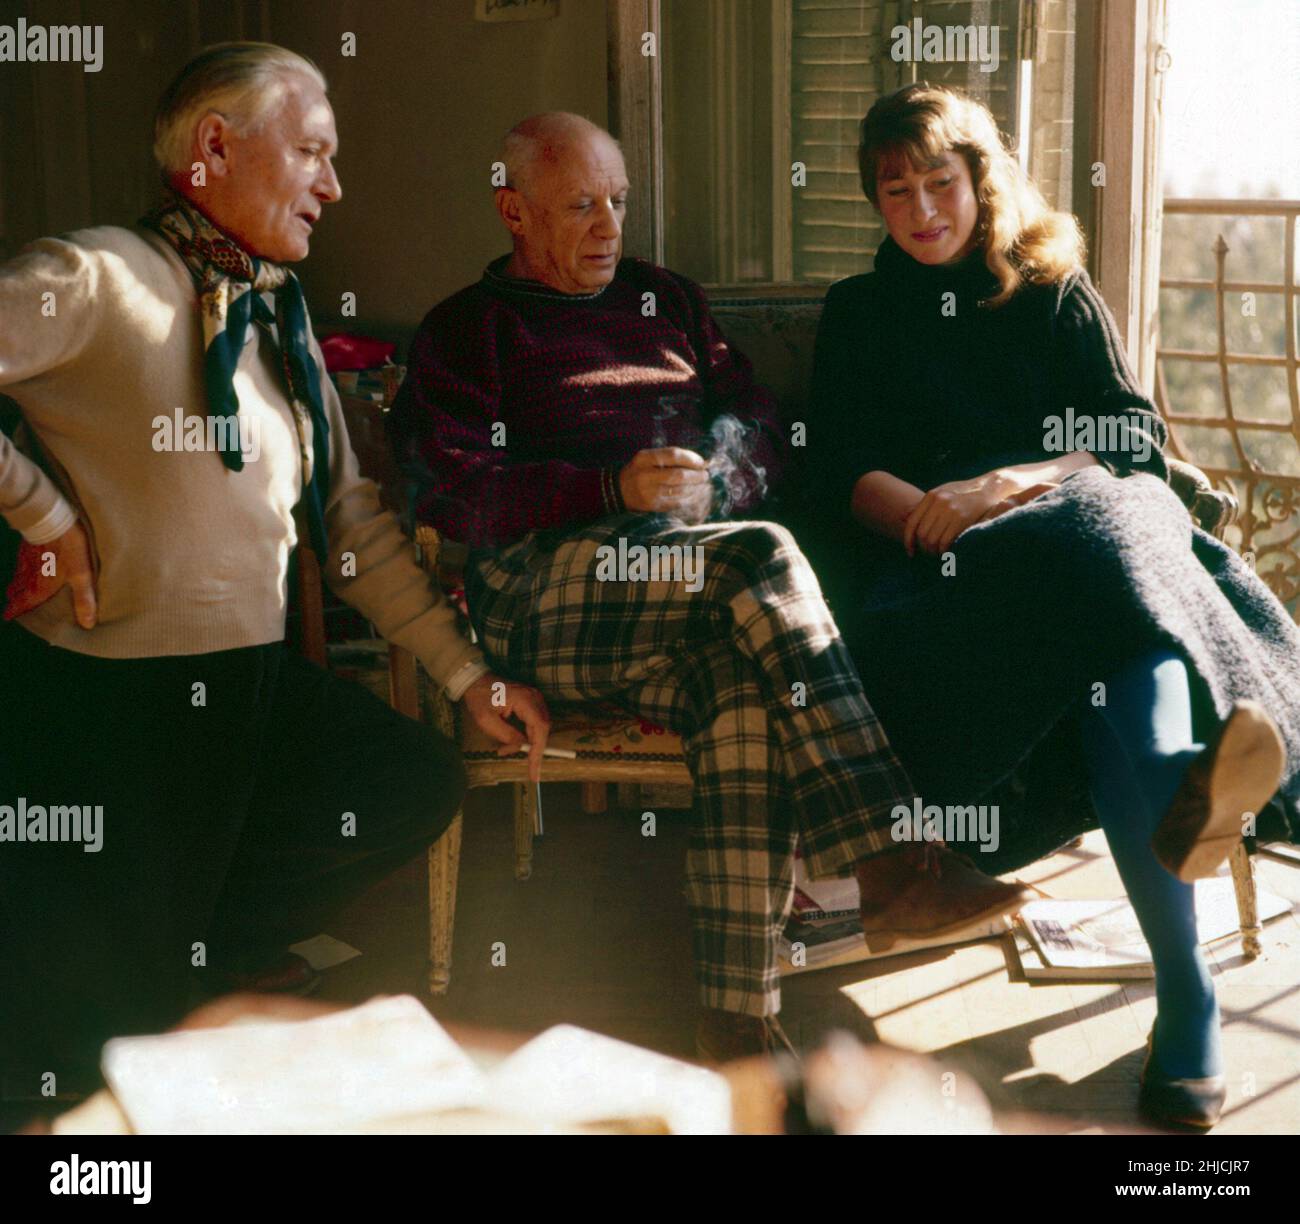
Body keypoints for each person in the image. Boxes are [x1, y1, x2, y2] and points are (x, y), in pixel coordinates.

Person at [387, 111, 1033, 1063]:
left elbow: (762, 427)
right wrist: (603, 487)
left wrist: (718, 481)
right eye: (580, 206)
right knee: (761, 556)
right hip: (543, 596)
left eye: (619, 201)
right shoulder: (470, 331)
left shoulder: (668, 302)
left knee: (739, 697)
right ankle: (894, 861)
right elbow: (446, 492)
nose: (609, 226)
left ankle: (735, 1023)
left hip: (682, 579)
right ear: (513, 211)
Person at [0, 41, 551, 1100]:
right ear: (215, 149)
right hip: (101, 712)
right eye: (311, 152)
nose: (334, 186)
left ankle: (171, 951)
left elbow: (349, 527)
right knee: (80, 1059)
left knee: (406, 781)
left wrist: (465, 678)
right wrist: (43, 511)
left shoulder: (281, 317)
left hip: (242, 696)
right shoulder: (98, 274)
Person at [805, 82, 1300, 1129]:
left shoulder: (1053, 290)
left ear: (982, 180)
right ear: (873, 201)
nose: (922, 208)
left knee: (1110, 551)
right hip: (949, 573)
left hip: (1074, 527)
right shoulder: (859, 315)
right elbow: (843, 468)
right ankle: (1191, 902)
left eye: (941, 180)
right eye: (895, 189)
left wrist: (1007, 485)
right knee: (1105, 581)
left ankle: (1184, 881)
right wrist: (932, 514)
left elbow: (1126, 441)